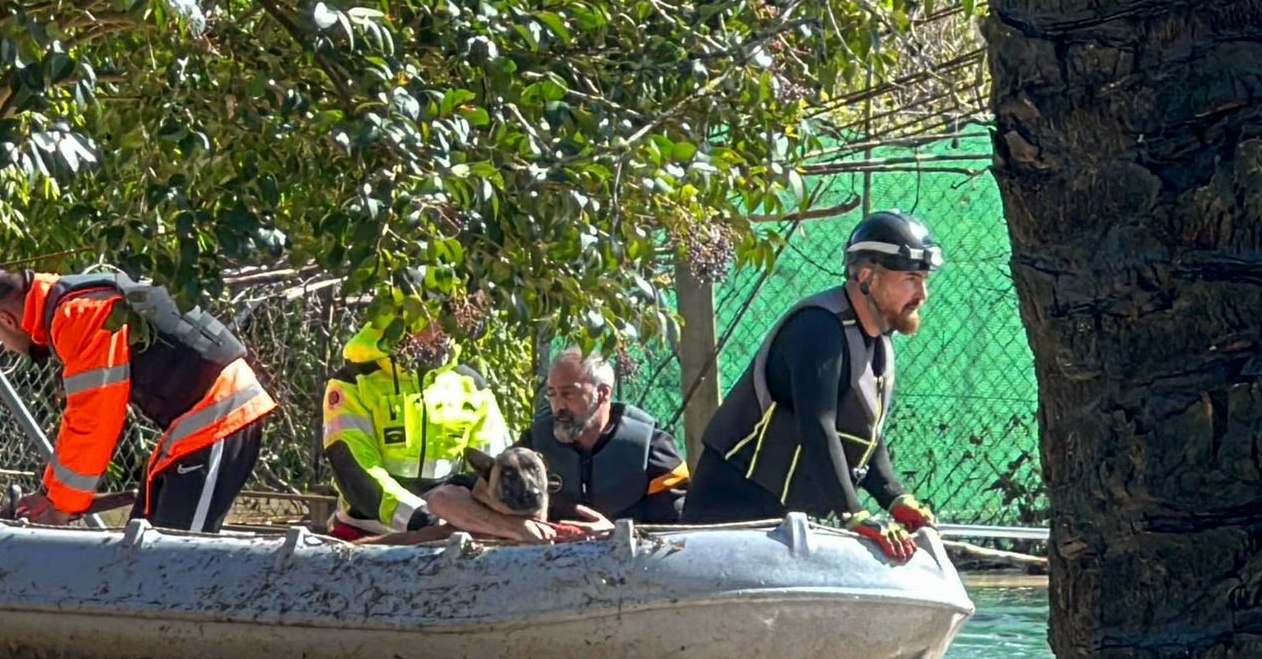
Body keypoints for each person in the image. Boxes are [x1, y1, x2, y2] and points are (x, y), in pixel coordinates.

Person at [681, 210, 944, 561]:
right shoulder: (818, 330)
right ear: (867, 276)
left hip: (789, 521)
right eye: (911, 278)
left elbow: (864, 434)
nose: (922, 293)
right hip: (733, 512)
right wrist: (854, 513)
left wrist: (895, 497)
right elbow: (818, 426)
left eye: (925, 280)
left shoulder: (877, 338)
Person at [0, 268, 276, 532]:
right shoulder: (81, 298)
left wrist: (61, 506)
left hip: (219, 419)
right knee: (146, 546)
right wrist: (50, 496)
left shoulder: (78, 314)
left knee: (177, 561)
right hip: (201, 426)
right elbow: (82, 419)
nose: (5, 346)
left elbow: (94, 420)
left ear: (8, 320)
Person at [426, 348, 689, 538]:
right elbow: (444, 499)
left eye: (568, 393)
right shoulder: (533, 446)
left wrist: (616, 535)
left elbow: (685, 533)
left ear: (603, 393)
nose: (558, 406)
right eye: (552, 394)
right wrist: (514, 528)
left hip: (630, 576)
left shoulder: (652, 449)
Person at [321, 308, 525, 541]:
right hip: (366, 536)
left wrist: (474, 515)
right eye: (435, 319)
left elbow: (494, 468)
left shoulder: (470, 384)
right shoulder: (353, 382)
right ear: (401, 319)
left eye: (450, 320)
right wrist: (417, 517)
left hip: (448, 534)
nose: (446, 330)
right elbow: (355, 469)